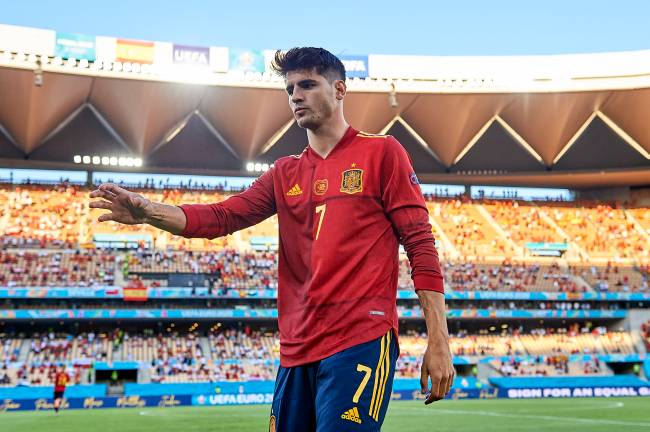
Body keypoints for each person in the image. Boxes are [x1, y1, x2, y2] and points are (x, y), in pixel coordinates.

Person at [89, 47, 454, 431]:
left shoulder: (383, 153)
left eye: (308, 84)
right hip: (295, 349)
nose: (296, 95)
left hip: (360, 337)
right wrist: (150, 212)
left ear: (340, 89)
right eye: (290, 88)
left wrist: (439, 339)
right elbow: (222, 216)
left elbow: (420, 245)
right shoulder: (284, 173)